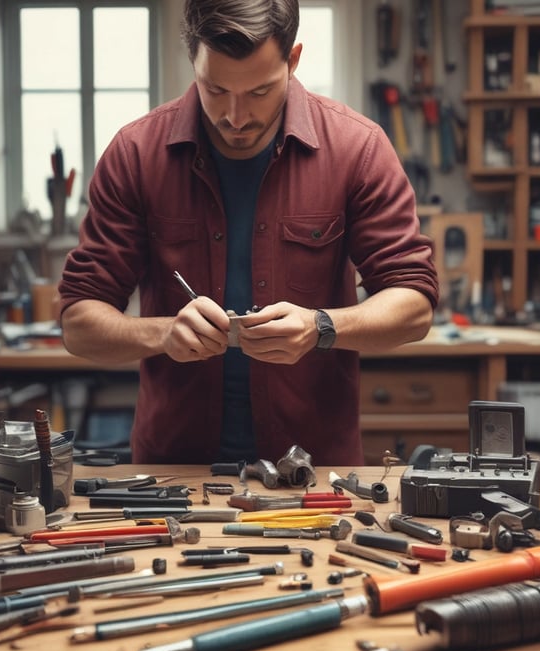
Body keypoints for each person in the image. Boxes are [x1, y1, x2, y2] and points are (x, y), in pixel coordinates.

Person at [58, 0, 438, 466]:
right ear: (191, 57)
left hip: (314, 477)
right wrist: (163, 334)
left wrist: (323, 327)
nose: (236, 116)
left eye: (259, 91)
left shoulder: (357, 149)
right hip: (174, 476)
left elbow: (414, 305)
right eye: (214, 88)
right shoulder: (136, 153)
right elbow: (78, 324)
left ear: (293, 60)